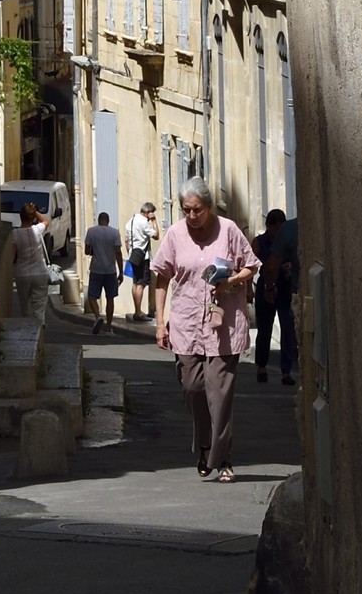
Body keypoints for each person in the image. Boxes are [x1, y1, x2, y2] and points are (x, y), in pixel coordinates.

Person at [152, 177, 259, 482]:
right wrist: (159, 322)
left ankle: (222, 459)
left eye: (197, 209)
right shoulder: (175, 234)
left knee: (220, 394)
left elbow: (252, 265)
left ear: (208, 207)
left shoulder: (228, 230)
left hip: (225, 325)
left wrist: (230, 281)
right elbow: (162, 278)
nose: (192, 215)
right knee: (192, 387)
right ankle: (205, 444)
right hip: (186, 324)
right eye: (186, 209)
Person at [253, 208, 300, 385]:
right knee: (264, 329)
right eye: (275, 228)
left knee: (287, 329)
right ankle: (261, 366)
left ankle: (286, 371)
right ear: (269, 226)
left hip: (284, 284)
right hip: (266, 285)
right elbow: (252, 264)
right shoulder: (259, 242)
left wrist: (289, 265)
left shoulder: (286, 238)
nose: (278, 232)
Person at [11, 203, 52, 323]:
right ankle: (40, 328)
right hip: (40, 272)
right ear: (33, 217)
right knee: (39, 307)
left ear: (20, 216)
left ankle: (28, 330)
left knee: (26, 308)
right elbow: (45, 221)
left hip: (22, 273)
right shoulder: (37, 229)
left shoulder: (15, 234)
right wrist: (35, 212)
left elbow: (12, 256)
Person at [83, 211, 123, 334]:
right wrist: (121, 272)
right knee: (110, 298)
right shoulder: (115, 232)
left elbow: (87, 251)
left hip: (96, 269)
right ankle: (108, 326)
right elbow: (118, 252)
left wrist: (94, 250)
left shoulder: (91, 231)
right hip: (110, 270)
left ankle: (97, 316)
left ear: (98, 220)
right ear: (108, 220)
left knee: (92, 296)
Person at [125, 200, 159, 320]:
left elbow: (126, 240)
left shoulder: (131, 221)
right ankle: (138, 312)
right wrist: (154, 221)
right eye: (152, 213)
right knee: (141, 285)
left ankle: (137, 310)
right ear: (148, 212)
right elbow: (156, 235)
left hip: (133, 255)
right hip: (142, 257)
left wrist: (129, 252)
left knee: (135, 283)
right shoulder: (144, 223)